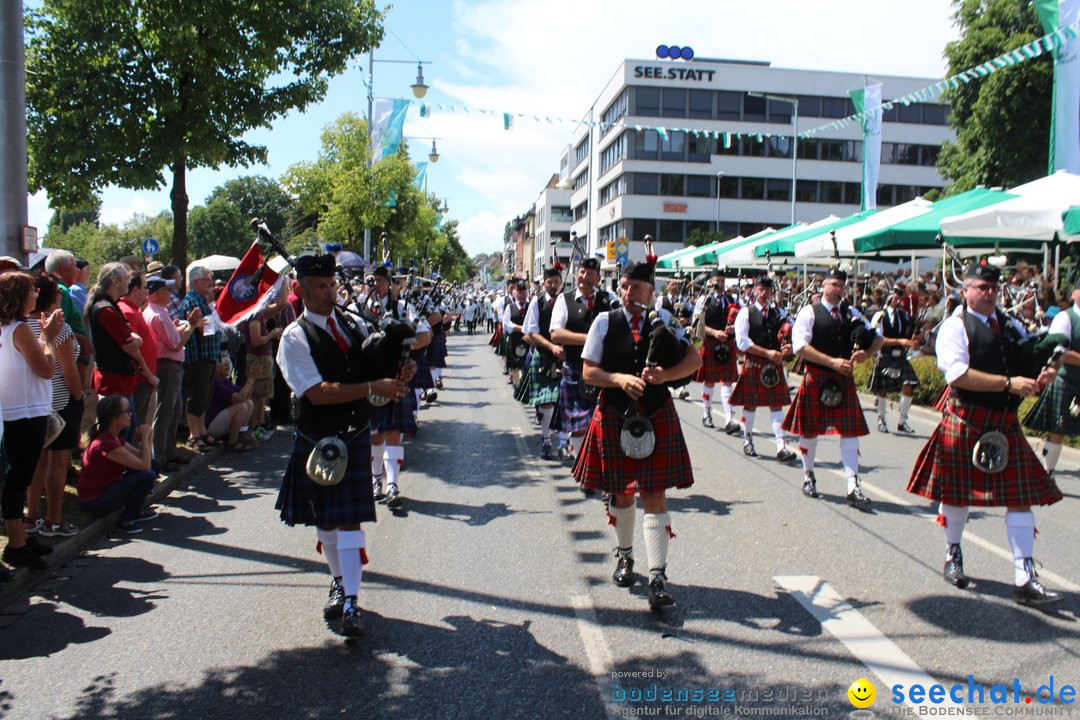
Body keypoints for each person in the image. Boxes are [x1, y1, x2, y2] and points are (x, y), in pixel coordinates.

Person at [276, 254, 415, 637]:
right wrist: (373, 388)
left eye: (331, 285)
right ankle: (339, 579)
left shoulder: (352, 324)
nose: (328, 292)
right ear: (300, 290)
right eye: (319, 287)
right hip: (319, 438)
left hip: (354, 434)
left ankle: (351, 599)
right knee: (326, 521)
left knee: (349, 520)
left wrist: (399, 371)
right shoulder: (295, 337)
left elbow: (373, 371)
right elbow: (317, 394)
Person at [909, 263, 1063, 605]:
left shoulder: (1009, 324)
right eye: (982, 287)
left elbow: (1024, 362)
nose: (990, 293)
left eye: (994, 288)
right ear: (966, 290)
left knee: (1019, 499)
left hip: (1004, 421)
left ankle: (1024, 577)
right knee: (957, 494)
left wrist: (1041, 378)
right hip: (968, 419)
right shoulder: (954, 327)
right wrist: (1009, 384)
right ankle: (953, 553)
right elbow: (958, 375)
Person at [572, 246, 702, 610]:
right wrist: (619, 379)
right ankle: (625, 556)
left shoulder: (665, 320)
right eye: (626, 286)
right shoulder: (604, 321)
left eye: (638, 288)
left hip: (656, 411)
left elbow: (694, 359)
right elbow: (588, 371)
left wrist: (665, 375)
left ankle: (658, 575)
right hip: (615, 412)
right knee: (622, 492)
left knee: (655, 493)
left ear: (651, 290)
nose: (630, 294)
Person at [783, 267, 883, 508]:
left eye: (842, 286)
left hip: (843, 380)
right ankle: (808, 476)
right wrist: (832, 362)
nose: (838, 290)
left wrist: (865, 354)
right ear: (824, 286)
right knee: (810, 431)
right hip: (817, 378)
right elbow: (800, 347)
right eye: (834, 285)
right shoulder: (810, 312)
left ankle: (852, 485)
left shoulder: (851, 312)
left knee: (850, 433)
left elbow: (879, 337)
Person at [0, 272, 62, 569]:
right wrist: (48, 338)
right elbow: (46, 369)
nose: (37, 294)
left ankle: (21, 536)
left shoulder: (9, 326)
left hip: (20, 410)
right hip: (25, 412)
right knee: (18, 479)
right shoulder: (20, 329)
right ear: (19, 295)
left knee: (19, 476)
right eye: (31, 290)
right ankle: (16, 544)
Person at [25, 273, 84, 538]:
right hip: (60, 401)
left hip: (33, 403)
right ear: (52, 297)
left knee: (36, 460)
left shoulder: (21, 326)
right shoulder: (58, 328)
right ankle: (54, 519)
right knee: (59, 461)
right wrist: (79, 396)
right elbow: (70, 371)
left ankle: (33, 514)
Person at [550, 257, 618, 462]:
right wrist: (590, 339)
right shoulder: (565, 300)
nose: (584, 277)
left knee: (606, 424)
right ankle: (583, 465)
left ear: (598, 277)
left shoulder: (610, 299)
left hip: (604, 370)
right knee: (579, 426)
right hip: (575, 370)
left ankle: (603, 471)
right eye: (581, 272)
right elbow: (555, 334)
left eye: (590, 274)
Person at [729, 276, 797, 462]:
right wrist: (767, 353)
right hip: (755, 363)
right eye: (760, 289)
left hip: (774, 365)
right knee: (750, 404)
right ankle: (748, 440)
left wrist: (788, 346)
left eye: (767, 290)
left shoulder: (779, 313)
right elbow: (742, 343)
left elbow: (790, 334)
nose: (764, 293)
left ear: (771, 292)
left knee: (776, 405)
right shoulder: (745, 313)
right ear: (754, 291)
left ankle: (781, 446)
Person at [86, 263, 157, 435]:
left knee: (127, 428)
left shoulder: (111, 305)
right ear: (116, 281)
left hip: (120, 379)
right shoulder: (106, 309)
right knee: (121, 430)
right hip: (115, 379)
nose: (128, 282)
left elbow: (131, 339)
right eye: (126, 278)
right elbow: (129, 343)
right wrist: (136, 341)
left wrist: (134, 339)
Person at [77, 394, 159, 535]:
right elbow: (144, 467)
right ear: (114, 418)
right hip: (95, 500)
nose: (130, 414)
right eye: (126, 412)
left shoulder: (115, 437)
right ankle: (126, 521)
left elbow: (143, 458)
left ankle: (137, 509)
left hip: (110, 488)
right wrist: (145, 438)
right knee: (147, 475)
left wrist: (144, 439)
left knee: (155, 464)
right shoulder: (105, 443)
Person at [1024, 279, 1080, 475]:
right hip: (1066, 380)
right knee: (1058, 429)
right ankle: (1047, 471)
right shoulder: (1065, 318)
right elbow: (1060, 352)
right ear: (1074, 294)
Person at [144, 275, 200, 469]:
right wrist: (191, 325)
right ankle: (160, 457)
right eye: (167, 290)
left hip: (167, 364)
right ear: (158, 293)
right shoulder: (158, 314)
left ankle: (168, 451)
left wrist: (177, 328)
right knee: (166, 411)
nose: (171, 293)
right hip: (167, 365)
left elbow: (169, 339)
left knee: (173, 409)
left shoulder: (156, 312)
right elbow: (176, 344)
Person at [523, 264, 565, 459]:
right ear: (544, 283)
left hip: (566, 357)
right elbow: (531, 332)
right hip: (544, 357)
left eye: (556, 281)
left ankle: (564, 443)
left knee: (564, 401)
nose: (553, 285)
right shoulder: (536, 302)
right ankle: (547, 440)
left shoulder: (566, 301)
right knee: (546, 403)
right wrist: (551, 347)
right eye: (550, 282)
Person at [693, 270, 740, 433]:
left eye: (722, 281)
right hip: (711, 342)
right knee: (710, 381)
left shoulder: (731, 299)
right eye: (717, 281)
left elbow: (740, 321)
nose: (719, 284)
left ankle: (729, 419)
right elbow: (697, 325)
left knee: (727, 381)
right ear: (710, 282)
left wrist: (734, 327)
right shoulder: (703, 300)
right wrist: (714, 333)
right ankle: (706, 413)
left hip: (728, 343)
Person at [869, 285, 920, 434]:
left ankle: (902, 421)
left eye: (900, 298)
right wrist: (899, 341)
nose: (898, 301)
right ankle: (881, 420)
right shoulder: (880, 315)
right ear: (889, 298)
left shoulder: (903, 315)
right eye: (895, 298)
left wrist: (915, 338)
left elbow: (909, 334)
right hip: (886, 356)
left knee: (908, 384)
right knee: (883, 390)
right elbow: (878, 339)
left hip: (901, 357)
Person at [180, 265, 220, 452]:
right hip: (198, 356)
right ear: (196, 282)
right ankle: (193, 435)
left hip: (208, 355)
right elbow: (205, 330)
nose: (210, 283)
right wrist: (216, 322)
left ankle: (202, 431)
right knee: (197, 395)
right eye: (206, 280)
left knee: (206, 395)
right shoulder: (192, 302)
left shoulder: (203, 302)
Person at [244, 291, 288, 441]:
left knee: (261, 394)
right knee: (256, 394)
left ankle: (259, 424)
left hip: (263, 357)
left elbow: (282, 303)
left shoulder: (260, 314)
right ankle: (254, 426)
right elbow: (256, 340)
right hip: (257, 358)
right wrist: (272, 335)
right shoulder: (254, 316)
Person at [206, 353, 257, 451]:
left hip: (220, 420)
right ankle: (232, 443)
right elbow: (239, 398)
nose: (227, 367)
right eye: (224, 365)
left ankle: (239, 435)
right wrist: (251, 379)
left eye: (228, 365)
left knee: (249, 403)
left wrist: (252, 378)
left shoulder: (225, 381)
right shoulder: (215, 384)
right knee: (242, 406)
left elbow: (246, 396)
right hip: (210, 426)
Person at [501, 280, 531, 389]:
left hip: (529, 341)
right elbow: (506, 324)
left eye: (524, 293)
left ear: (527, 293)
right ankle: (516, 386)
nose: (522, 296)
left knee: (527, 364)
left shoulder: (531, 306)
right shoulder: (510, 307)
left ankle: (524, 386)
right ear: (515, 294)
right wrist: (520, 328)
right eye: (519, 293)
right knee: (514, 366)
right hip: (514, 340)